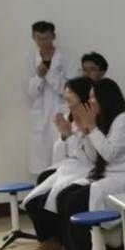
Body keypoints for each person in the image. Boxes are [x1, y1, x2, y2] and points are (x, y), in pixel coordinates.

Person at [61, 78, 125, 250]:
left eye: (94, 97)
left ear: (106, 98)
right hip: (111, 177)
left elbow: (109, 153)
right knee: (67, 196)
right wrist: (86, 131)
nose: (90, 101)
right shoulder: (106, 120)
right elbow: (95, 157)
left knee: (76, 201)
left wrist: (91, 127)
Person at [23, 77, 95, 250]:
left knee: (56, 199)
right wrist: (64, 136)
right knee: (34, 199)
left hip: (86, 169)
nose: (66, 95)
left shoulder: (92, 118)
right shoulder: (69, 116)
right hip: (70, 166)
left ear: (81, 95)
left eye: (70, 92)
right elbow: (60, 155)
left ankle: (62, 241)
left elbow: (90, 156)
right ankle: (49, 240)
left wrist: (69, 135)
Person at [26, 21, 74, 176]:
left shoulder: (66, 58)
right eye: (39, 38)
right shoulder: (30, 59)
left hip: (61, 113)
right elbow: (29, 93)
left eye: (46, 38)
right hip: (39, 118)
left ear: (53, 36)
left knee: (62, 161)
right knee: (41, 165)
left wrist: (49, 74)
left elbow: (70, 90)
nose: (43, 42)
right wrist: (39, 77)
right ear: (33, 37)